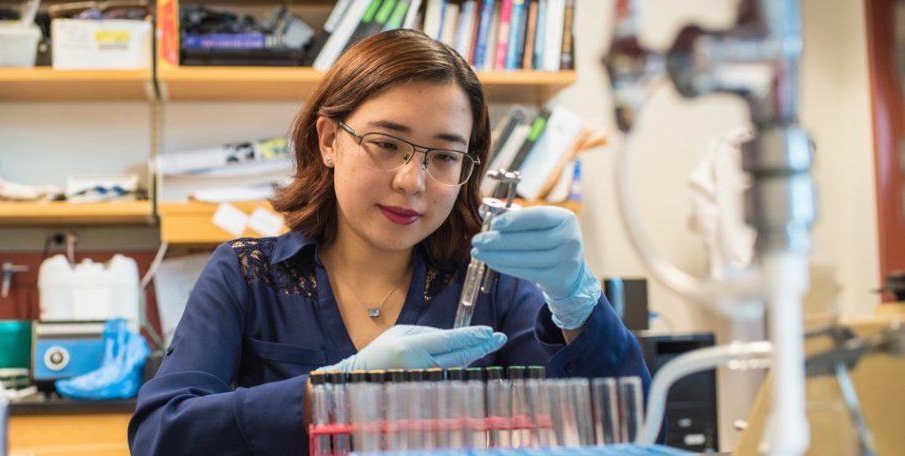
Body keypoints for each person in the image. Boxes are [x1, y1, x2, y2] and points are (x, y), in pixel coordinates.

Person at [128, 29, 650, 456]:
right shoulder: (248, 275)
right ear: (329, 140)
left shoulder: (494, 287)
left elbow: (633, 432)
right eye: (385, 145)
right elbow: (159, 436)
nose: (412, 181)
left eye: (443, 156)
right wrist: (334, 392)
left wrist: (577, 302)